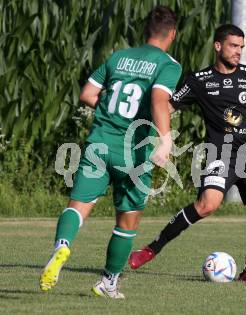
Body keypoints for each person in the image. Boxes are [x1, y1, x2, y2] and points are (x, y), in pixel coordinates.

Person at [129, 24, 246, 282]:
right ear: (218, 46)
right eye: (233, 46)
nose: (239, 51)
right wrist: (138, 123)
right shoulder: (200, 80)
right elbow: (167, 108)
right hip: (220, 155)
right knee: (208, 205)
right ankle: (151, 249)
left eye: (241, 46)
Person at [39, 5, 182, 298]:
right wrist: (165, 140)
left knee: (78, 206)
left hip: (99, 143)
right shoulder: (168, 64)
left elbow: (87, 94)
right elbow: (158, 100)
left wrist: (108, 110)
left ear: (146, 31)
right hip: (132, 152)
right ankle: (108, 282)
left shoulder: (119, 56)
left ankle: (62, 245)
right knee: (128, 219)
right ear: (173, 34)